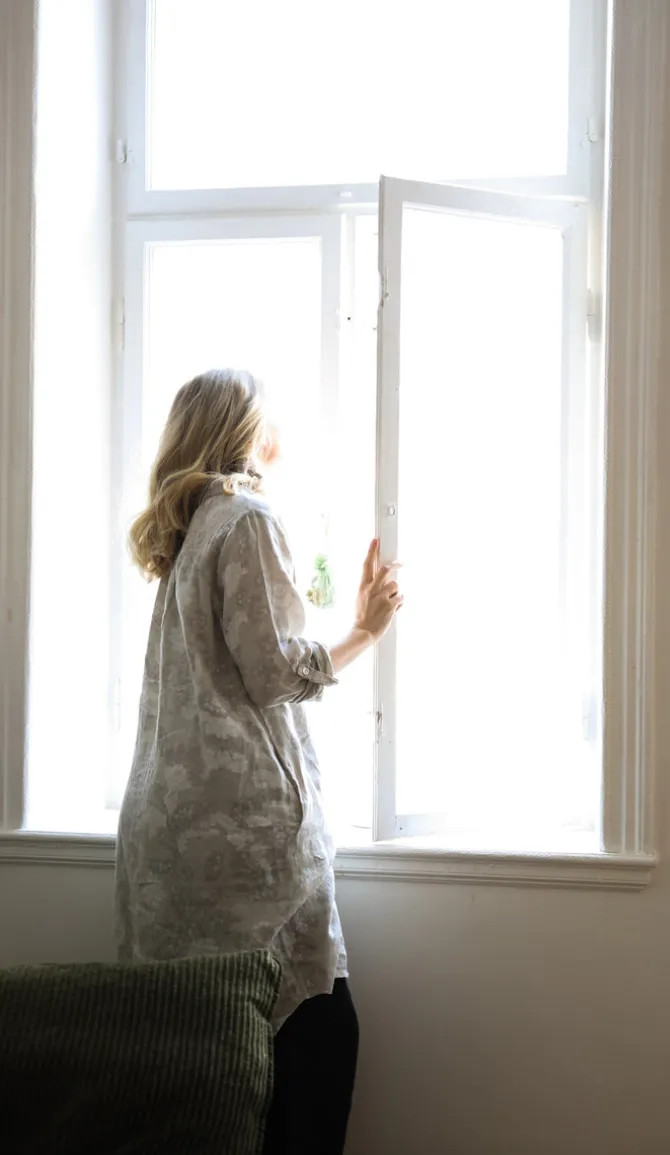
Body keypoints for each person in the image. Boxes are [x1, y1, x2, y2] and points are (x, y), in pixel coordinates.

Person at [115, 368, 402, 1155]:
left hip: (167, 841)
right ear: (248, 431)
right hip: (245, 846)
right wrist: (367, 629)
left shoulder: (186, 536)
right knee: (313, 1042)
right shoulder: (242, 517)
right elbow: (275, 671)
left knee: (208, 1077)